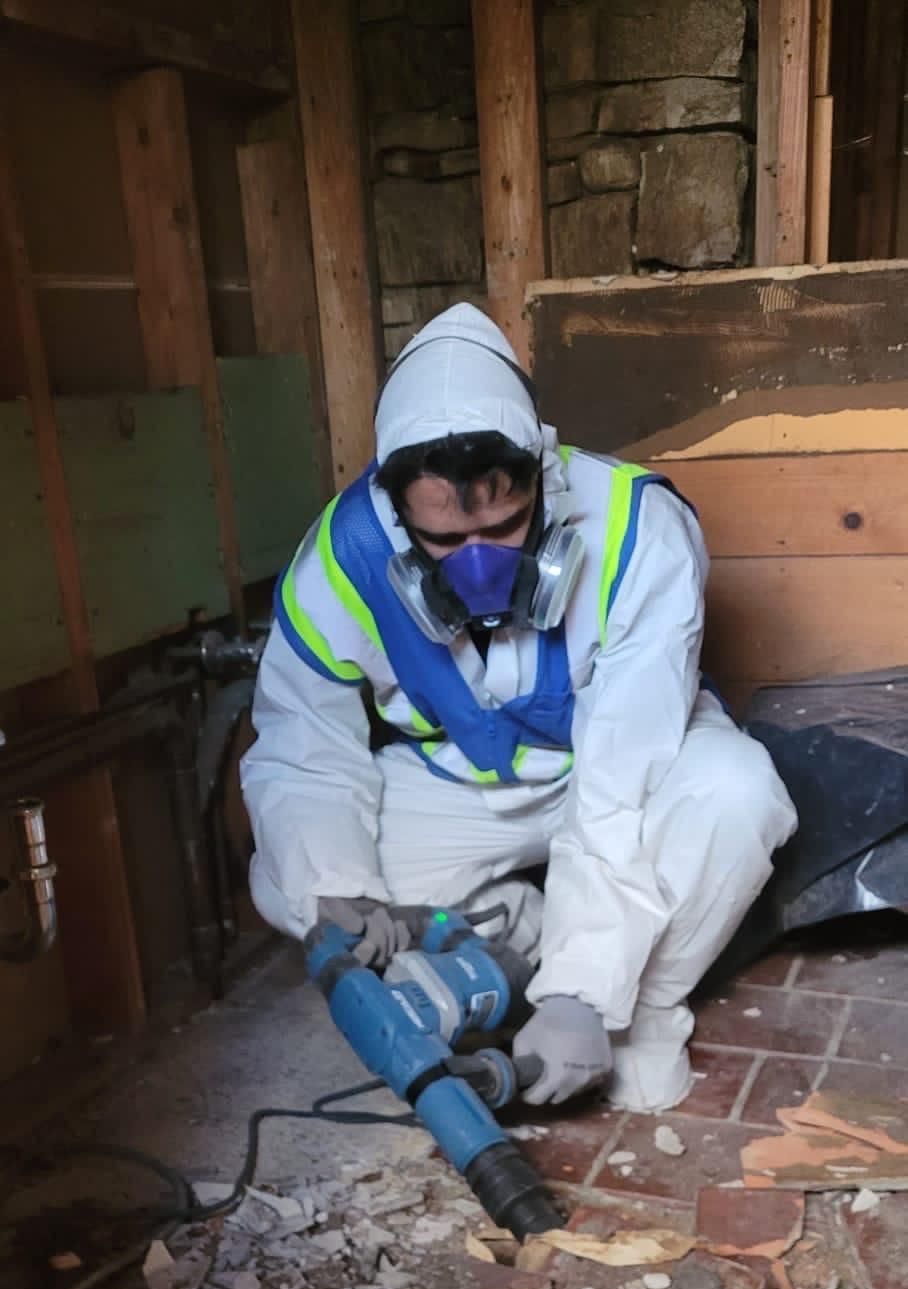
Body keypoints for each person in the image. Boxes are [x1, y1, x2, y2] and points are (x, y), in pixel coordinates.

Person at [241, 304, 796, 1112]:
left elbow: (620, 779)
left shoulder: (638, 529)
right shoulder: (340, 560)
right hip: (462, 781)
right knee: (298, 880)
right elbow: (302, 744)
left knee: (736, 796)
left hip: (616, 764)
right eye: (443, 541)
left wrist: (584, 994)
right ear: (395, 510)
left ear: (545, 475)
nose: (476, 569)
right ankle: (517, 928)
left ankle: (637, 1014)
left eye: (505, 526)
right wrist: (336, 882)